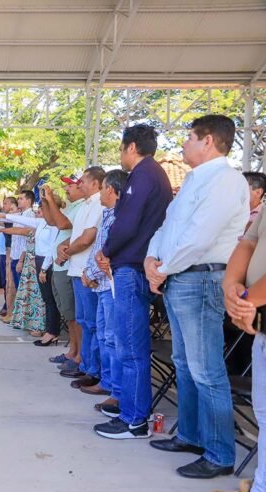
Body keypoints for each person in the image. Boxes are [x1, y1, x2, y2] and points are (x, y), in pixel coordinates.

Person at [145, 115, 249, 478]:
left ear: (208, 141)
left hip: (201, 278)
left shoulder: (224, 179)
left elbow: (201, 237)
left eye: (189, 137)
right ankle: (190, 435)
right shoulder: (194, 180)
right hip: (179, 276)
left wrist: (163, 267)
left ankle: (220, 453)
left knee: (206, 369)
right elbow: (167, 226)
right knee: (185, 363)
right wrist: (151, 257)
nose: (183, 145)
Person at [93, 124, 173, 440]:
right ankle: (128, 407)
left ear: (131, 147)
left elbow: (127, 223)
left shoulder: (143, 175)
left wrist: (107, 250)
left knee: (130, 348)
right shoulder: (151, 174)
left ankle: (134, 419)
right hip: (134, 263)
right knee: (129, 345)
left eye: (121, 148)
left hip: (132, 265)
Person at [211, 209, 266, 492]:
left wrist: (246, 301)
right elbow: (248, 242)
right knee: (264, 410)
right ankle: (261, 489)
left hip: (254, 305)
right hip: (256, 312)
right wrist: (232, 286)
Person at [82, 169, 128, 413]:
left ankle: (116, 389)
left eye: (102, 188)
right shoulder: (109, 215)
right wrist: (89, 272)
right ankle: (107, 381)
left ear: (110, 189)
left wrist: (92, 272)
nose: (100, 193)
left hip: (109, 284)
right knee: (103, 335)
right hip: (100, 284)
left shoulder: (119, 217)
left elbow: (108, 253)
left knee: (112, 338)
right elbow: (98, 251)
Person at [57, 167, 106, 388]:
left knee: (92, 324)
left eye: (84, 181)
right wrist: (64, 246)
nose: (80, 185)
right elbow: (77, 237)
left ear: (95, 183)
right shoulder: (87, 204)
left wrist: (67, 251)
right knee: (85, 321)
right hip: (77, 269)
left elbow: (87, 239)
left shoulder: (98, 204)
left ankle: (93, 369)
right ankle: (86, 365)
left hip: (88, 272)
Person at [0, 196, 61, 344]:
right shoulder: (42, 222)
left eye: (42, 209)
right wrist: (3, 216)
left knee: (49, 300)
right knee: (45, 298)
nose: (38, 212)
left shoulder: (54, 224)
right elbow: (23, 223)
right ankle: (49, 330)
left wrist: (43, 269)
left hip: (46, 263)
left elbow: (51, 248)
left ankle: (51, 331)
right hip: (38, 261)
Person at [41, 177, 86, 374]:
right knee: (68, 314)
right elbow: (51, 220)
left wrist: (51, 199)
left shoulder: (82, 206)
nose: (67, 189)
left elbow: (61, 225)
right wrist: (44, 199)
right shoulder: (73, 206)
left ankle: (79, 355)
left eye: (71, 185)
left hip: (68, 266)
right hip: (60, 267)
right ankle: (72, 350)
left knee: (75, 315)